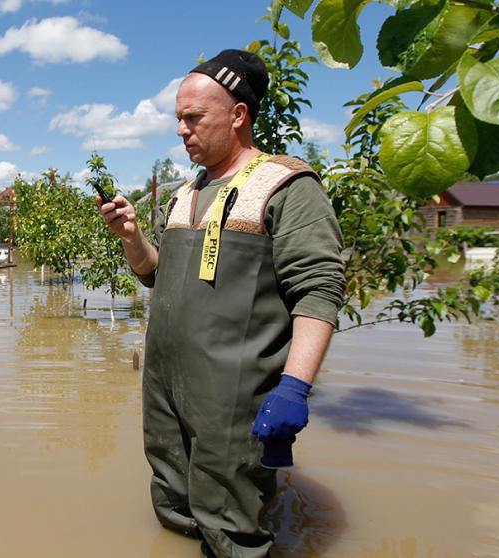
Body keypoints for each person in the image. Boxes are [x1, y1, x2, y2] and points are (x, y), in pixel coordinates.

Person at [99, 50, 345, 558]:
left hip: (233, 400)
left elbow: (319, 291)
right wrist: (130, 236)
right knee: (172, 505)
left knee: (231, 528)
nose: (182, 130)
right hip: (166, 388)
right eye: (178, 120)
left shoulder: (287, 186)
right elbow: (156, 274)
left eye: (194, 118)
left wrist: (294, 389)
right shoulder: (186, 192)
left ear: (238, 115)